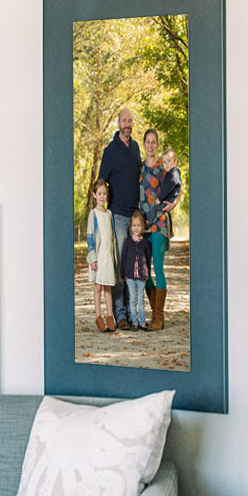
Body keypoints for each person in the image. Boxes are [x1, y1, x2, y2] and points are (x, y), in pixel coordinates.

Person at [98, 109, 141, 330]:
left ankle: (133, 313)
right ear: (118, 123)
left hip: (135, 217)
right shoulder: (110, 151)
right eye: (124, 120)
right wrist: (100, 214)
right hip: (117, 215)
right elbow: (101, 182)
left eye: (130, 121)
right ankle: (120, 314)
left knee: (133, 268)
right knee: (120, 267)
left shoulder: (135, 148)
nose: (127, 124)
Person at [138, 128, 176, 330]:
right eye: (148, 141)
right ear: (143, 143)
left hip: (160, 222)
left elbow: (178, 186)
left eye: (154, 142)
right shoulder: (139, 167)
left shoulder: (164, 167)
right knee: (143, 272)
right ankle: (155, 312)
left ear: (157, 144)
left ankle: (158, 318)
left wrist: (174, 203)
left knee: (158, 268)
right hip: (143, 225)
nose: (151, 145)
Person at [86, 178, 117, 332]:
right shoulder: (94, 214)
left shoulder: (109, 214)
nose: (102, 196)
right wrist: (93, 258)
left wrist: (114, 257)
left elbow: (112, 237)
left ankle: (110, 316)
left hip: (108, 256)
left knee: (107, 286)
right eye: (99, 193)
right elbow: (90, 237)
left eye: (104, 193)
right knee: (98, 286)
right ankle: (99, 317)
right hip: (98, 255)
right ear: (94, 195)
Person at [122, 210, 152, 332]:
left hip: (141, 277)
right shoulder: (127, 242)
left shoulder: (145, 243)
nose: (136, 228)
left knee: (141, 299)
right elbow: (124, 258)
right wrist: (124, 274)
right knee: (132, 299)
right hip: (130, 276)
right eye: (134, 225)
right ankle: (134, 322)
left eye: (138, 225)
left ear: (143, 226)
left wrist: (147, 273)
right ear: (130, 227)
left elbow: (148, 259)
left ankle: (143, 322)